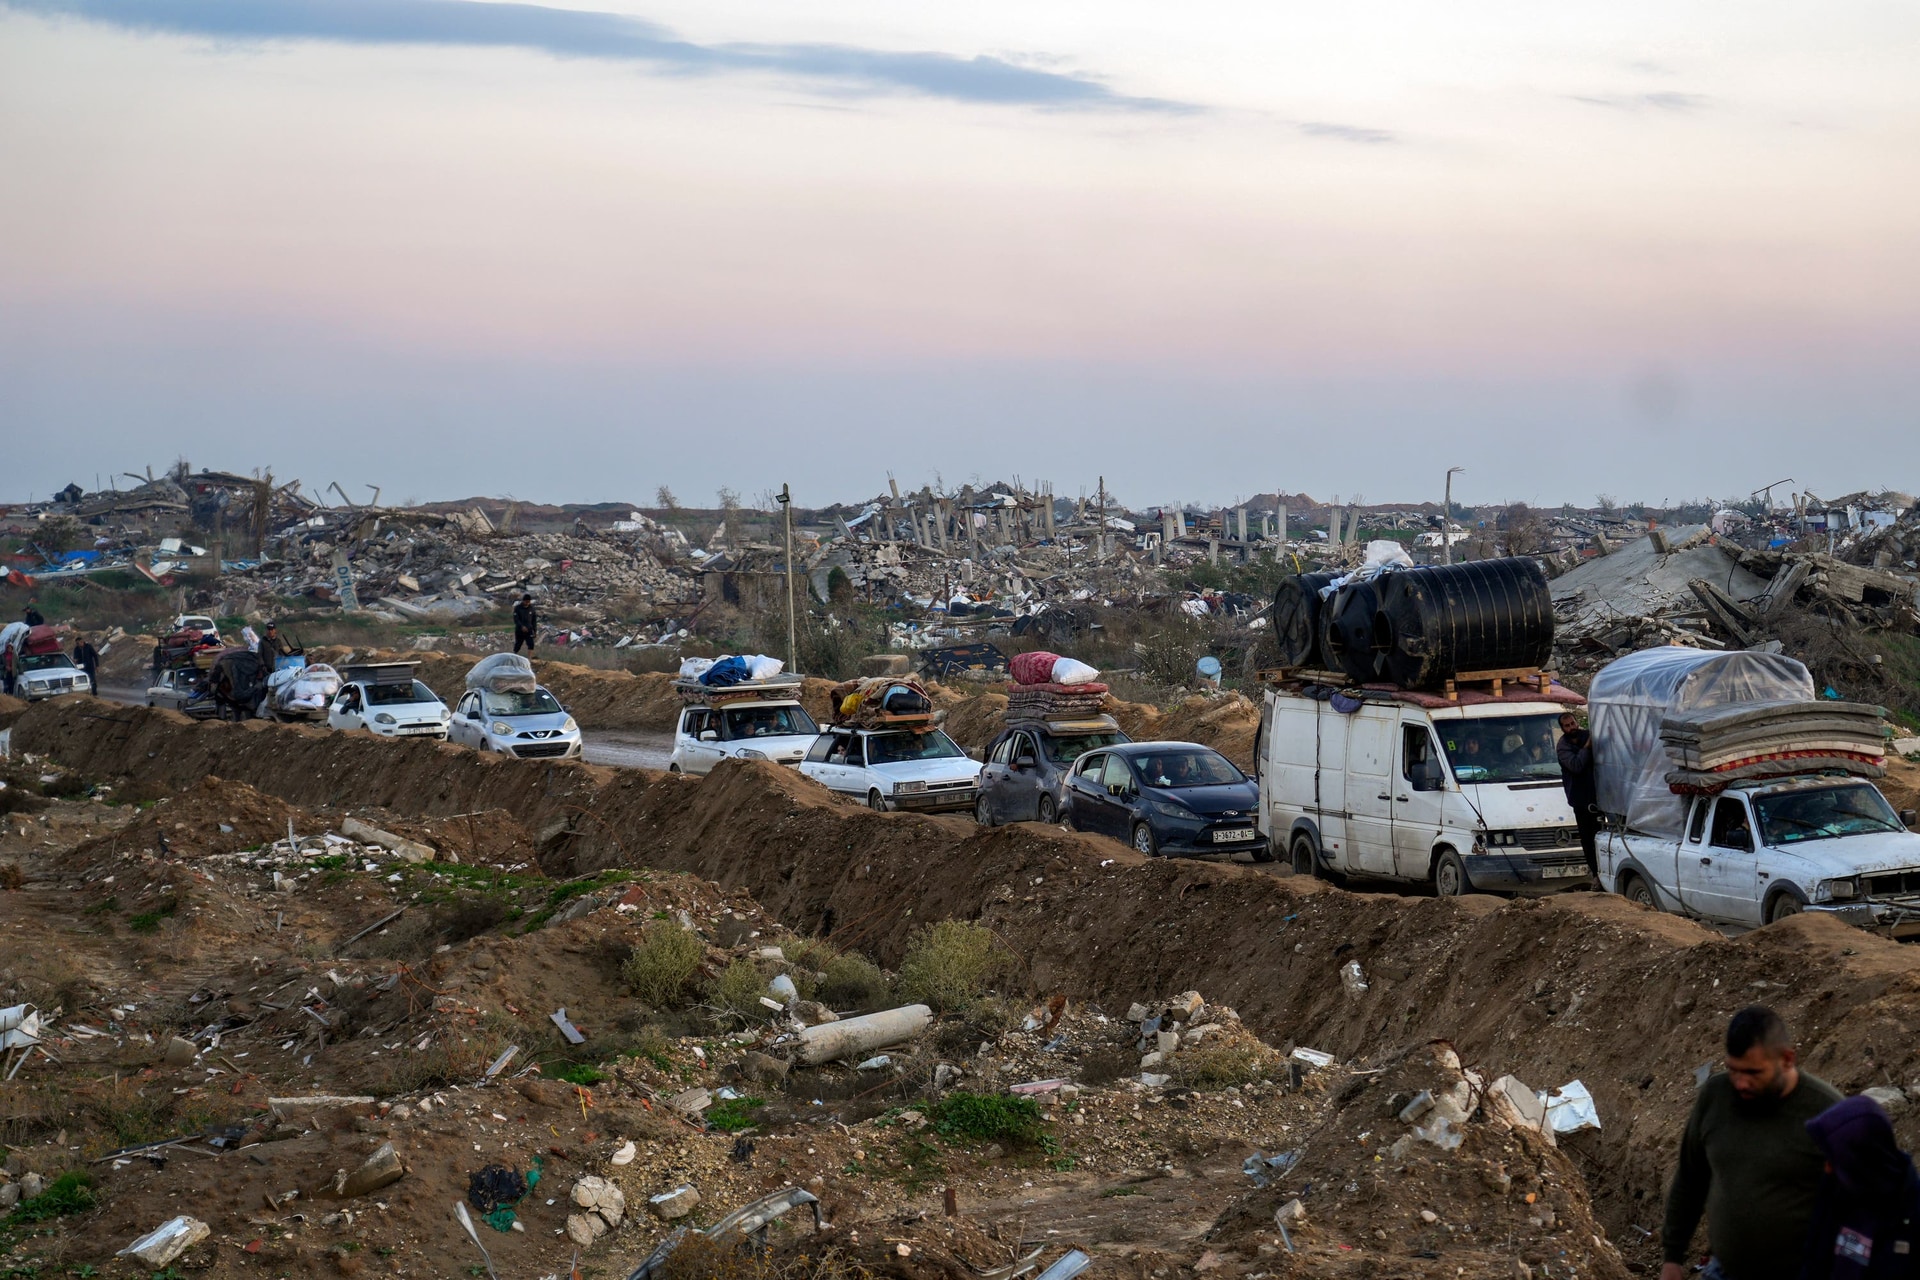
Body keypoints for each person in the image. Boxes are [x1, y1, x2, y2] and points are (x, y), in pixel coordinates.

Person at [1662, 1005, 1843, 1280]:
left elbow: (1864, 1202)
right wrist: (1672, 1257)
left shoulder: (1827, 1111)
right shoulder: (1716, 1097)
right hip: (1724, 1270)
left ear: (1787, 1059)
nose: (1741, 1083)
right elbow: (1691, 1178)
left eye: (1753, 1072)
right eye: (1733, 1070)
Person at [1800, 1094, 1920, 1279]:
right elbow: (1814, 1261)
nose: (1827, 1167)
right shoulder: (1838, 1188)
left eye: (1835, 1159)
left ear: (1860, 1159)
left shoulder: (1913, 1213)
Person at [1557, 711, 1599, 879]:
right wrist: (1588, 747)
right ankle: (1596, 874)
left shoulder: (1587, 735)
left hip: (1598, 796)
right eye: (1567, 726)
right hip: (1580, 799)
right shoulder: (1563, 746)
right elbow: (1576, 765)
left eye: (1573, 723)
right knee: (1588, 840)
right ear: (1562, 729)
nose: (1572, 727)